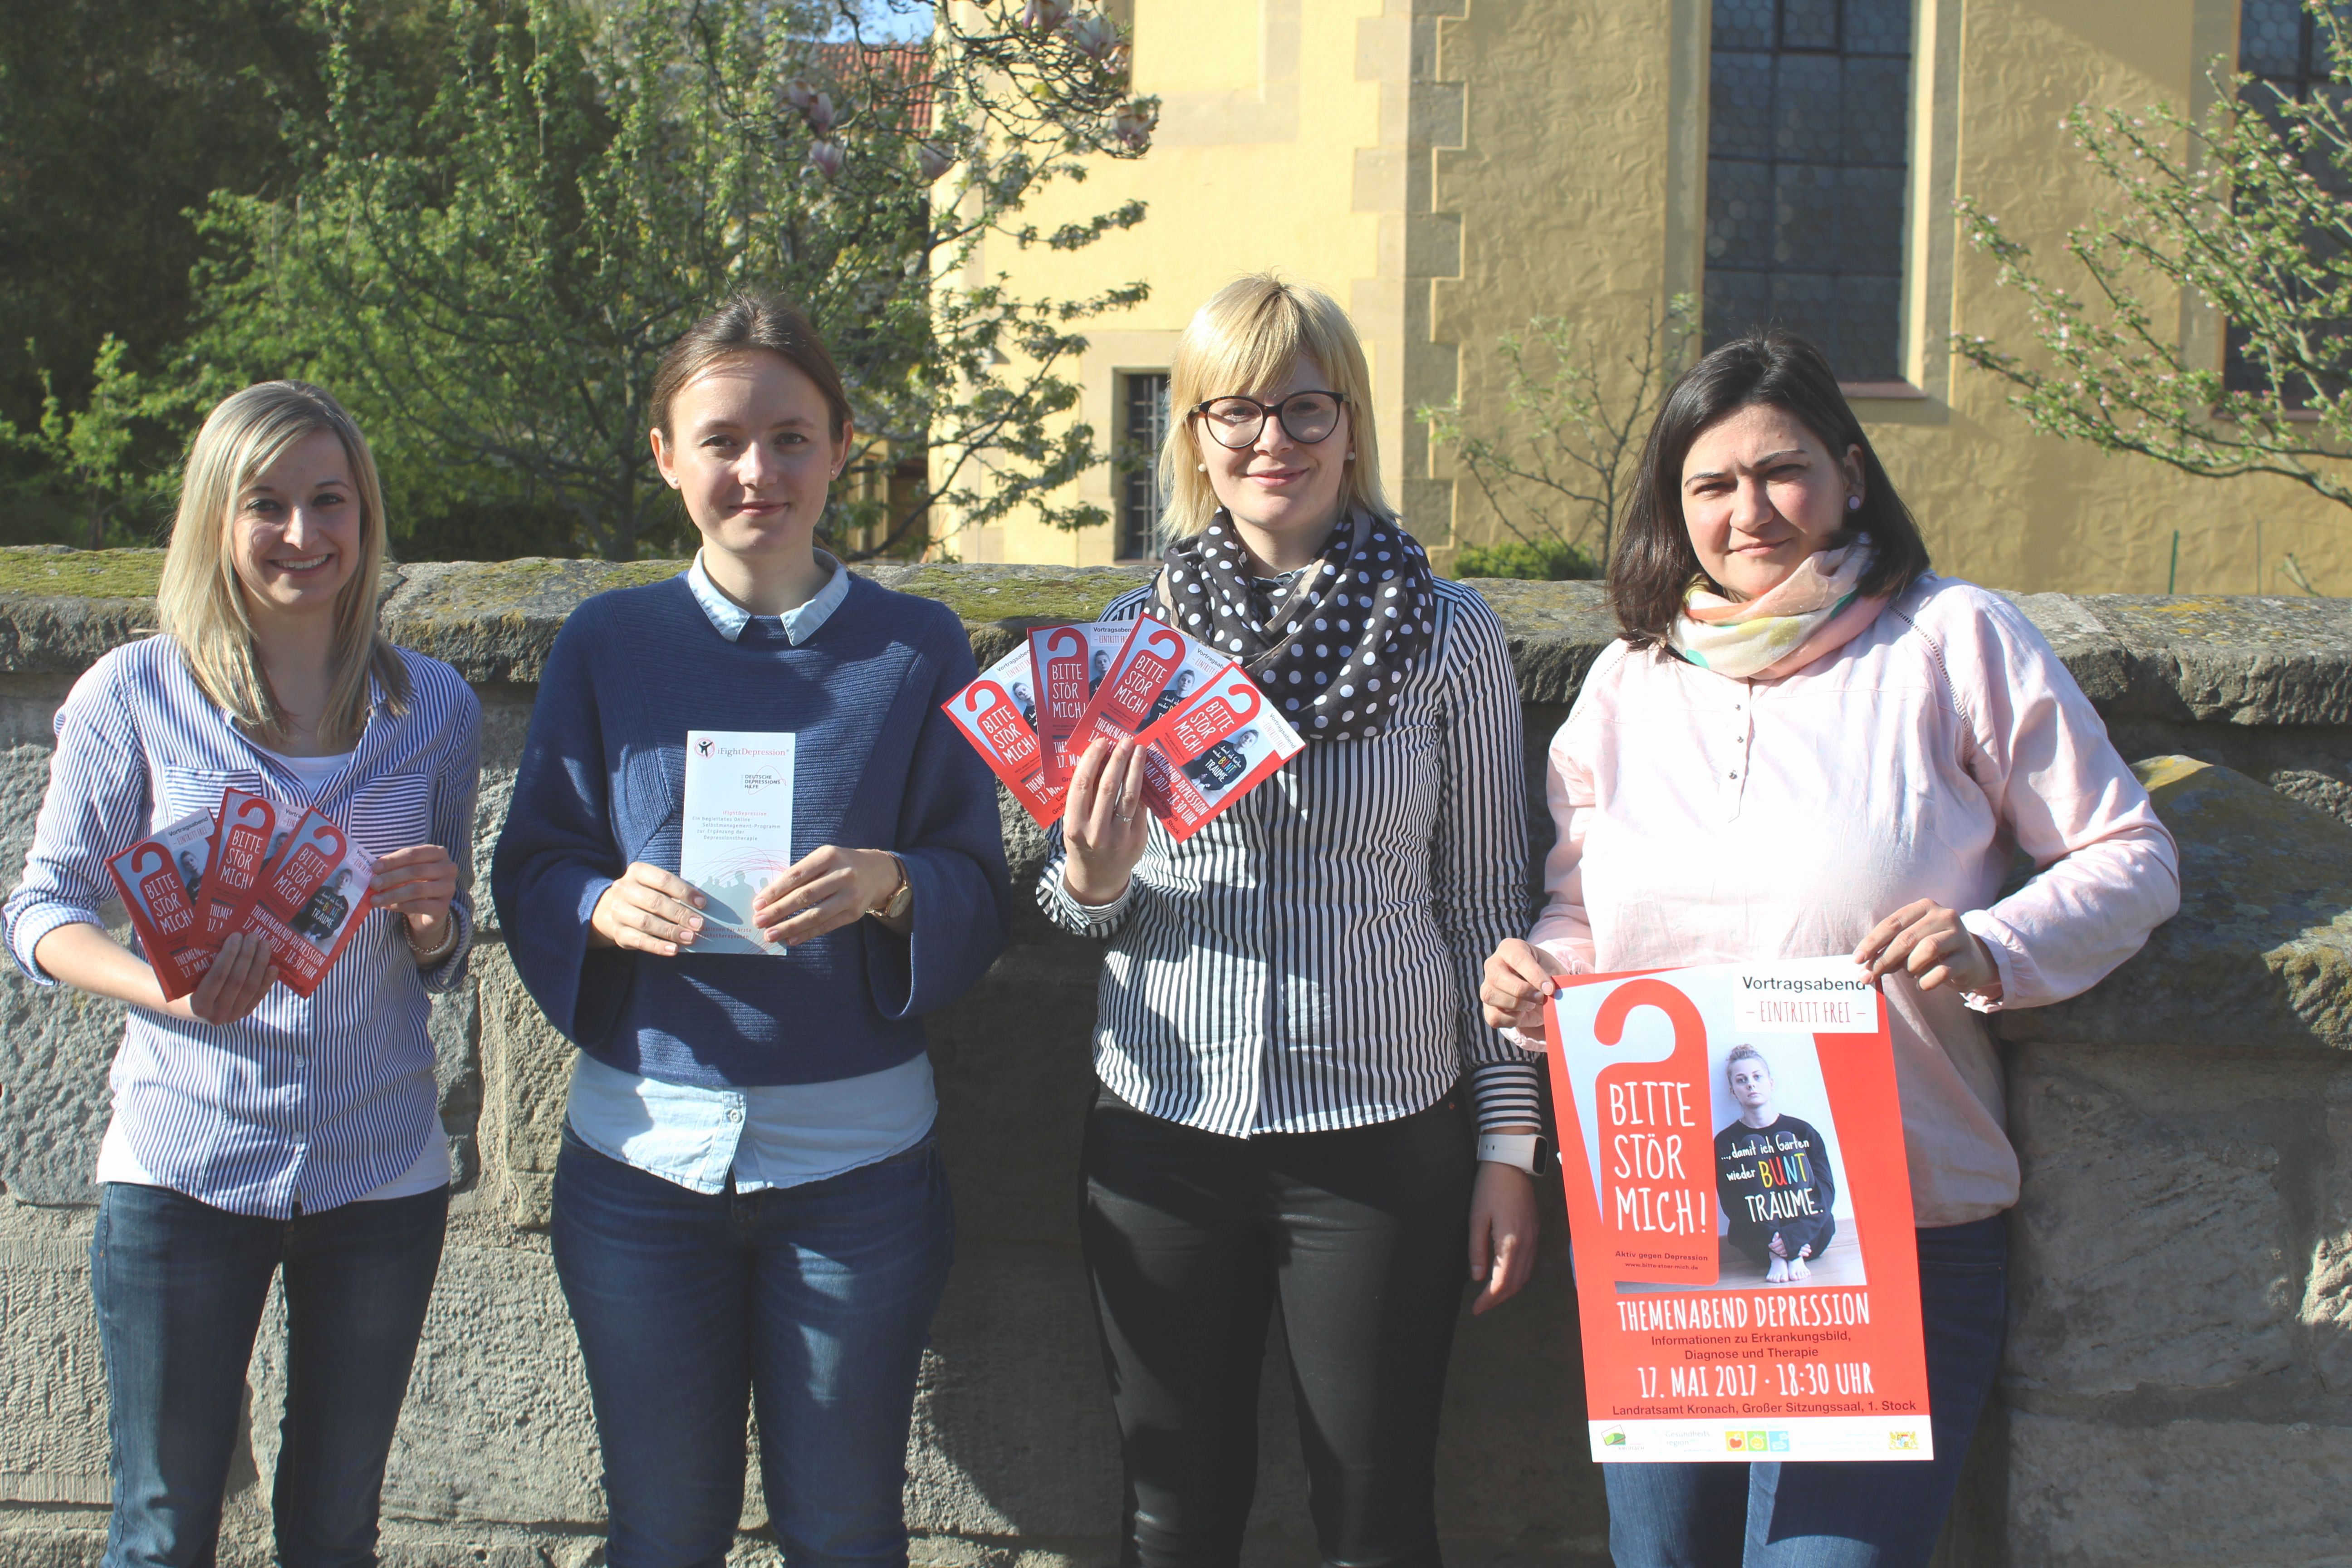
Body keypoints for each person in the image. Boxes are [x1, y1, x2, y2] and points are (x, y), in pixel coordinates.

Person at [1481, 331, 2179, 1567]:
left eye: (1782, 471)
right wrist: (1541, 972)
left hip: (1899, 1235)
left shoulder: (1953, 641)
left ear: (1851, 476)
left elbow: (2132, 857)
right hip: (1675, 1241)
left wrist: (1992, 942)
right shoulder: (1627, 688)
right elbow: (1585, 912)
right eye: (1711, 484)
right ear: (1673, 508)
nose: (1749, 510)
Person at [492, 293, 1011, 1568]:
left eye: (790, 437)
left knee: (843, 1530)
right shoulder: (612, 642)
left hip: (859, 1177)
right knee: (663, 1534)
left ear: (841, 448)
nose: (757, 470)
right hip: (641, 1166)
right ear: (667, 457)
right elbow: (534, 863)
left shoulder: (914, 647)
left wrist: (896, 884)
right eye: (721, 439)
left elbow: (978, 886)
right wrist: (595, 904)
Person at [1041, 274, 1543, 1568]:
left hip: (1381, 1134)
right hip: (1164, 1128)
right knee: (1175, 1514)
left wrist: (1508, 1147)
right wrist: (1095, 875)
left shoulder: (1449, 636)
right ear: (1197, 436)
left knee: (1376, 1514)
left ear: (1355, 426)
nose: (1274, 441)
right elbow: (1064, 904)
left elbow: (1486, 905)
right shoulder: (1127, 647)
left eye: (1306, 408)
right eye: (1238, 410)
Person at [3, 381, 480, 1567]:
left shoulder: (432, 708)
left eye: (331, 502)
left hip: (379, 1178)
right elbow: (39, 912)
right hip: (184, 1172)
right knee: (164, 1532)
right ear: (216, 518)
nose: (305, 537)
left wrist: (432, 919)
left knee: (332, 1533)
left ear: (366, 520)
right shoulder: (137, 692)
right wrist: (163, 988)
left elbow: (444, 952)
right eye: (268, 505)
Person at [1714, 1045, 1835, 1284]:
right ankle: (1780, 1254)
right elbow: (1733, 1204)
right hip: (1760, 1244)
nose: (1751, 1084)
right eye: (1742, 1080)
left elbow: (1826, 1191)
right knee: (1752, 1144)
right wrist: (1774, 1242)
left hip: (1811, 1237)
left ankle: (1790, 1250)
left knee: (1787, 1141)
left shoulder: (1803, 1132)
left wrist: (1796, 1237)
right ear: (1733, 1091)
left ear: (1771, 1083)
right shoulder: (1726, 1143)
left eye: (1758, 1077)